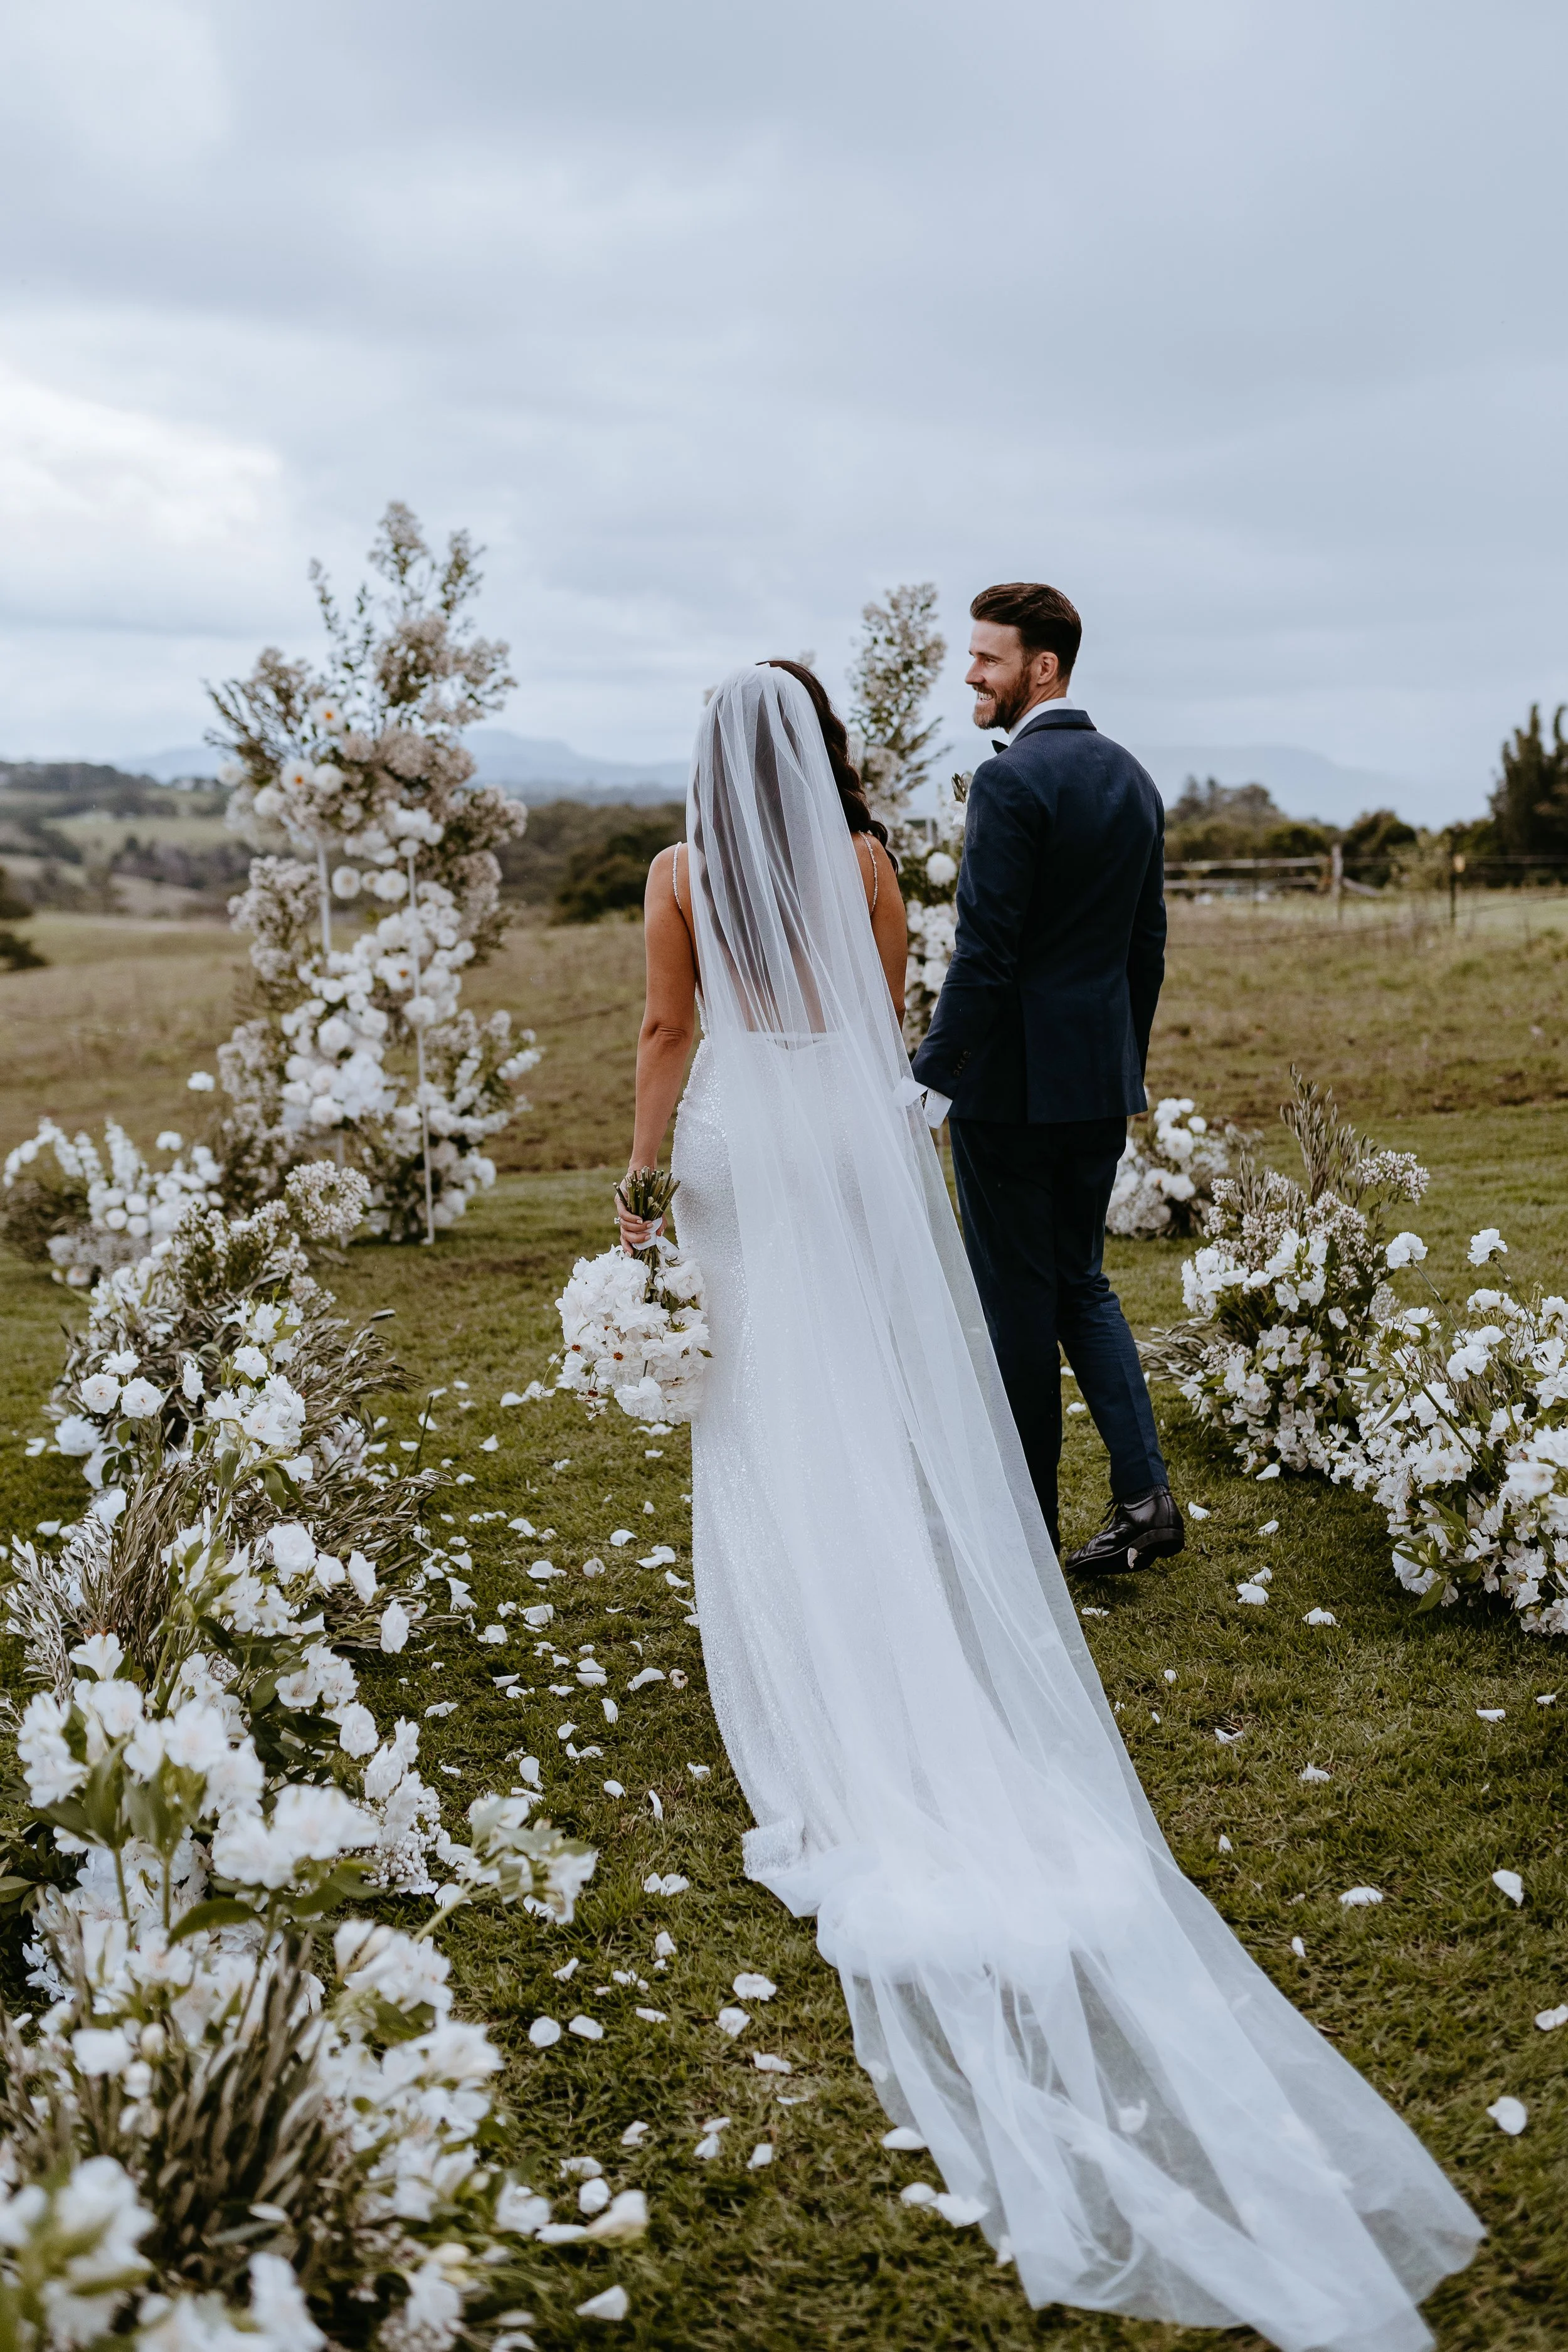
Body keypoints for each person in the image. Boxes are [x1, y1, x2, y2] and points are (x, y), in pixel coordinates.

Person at [617, 661, 1478, 2349]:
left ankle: (798, 1642)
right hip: (838, 1140)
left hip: (731, 1140)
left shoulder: (672, 874)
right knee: (855, 1391)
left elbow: (665, 1029)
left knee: (758, 1412)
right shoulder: (865, 863)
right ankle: (892, 1613)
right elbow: (876, 1029)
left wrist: (642, 1185)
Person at [910, 580, 1181, 1572]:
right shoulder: (1132, 777)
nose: (970, 674)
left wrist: (933, 1075)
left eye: (986, 658)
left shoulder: (1012, 784)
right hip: (1096, 1083)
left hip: (1011, 1092)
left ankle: (1020, 1533)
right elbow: (1144, 951)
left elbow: (986, 952)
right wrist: (1120, 1061)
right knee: (1082, 1284)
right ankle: (1144, 1497)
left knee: (1016, 1304)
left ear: (1043, 668)